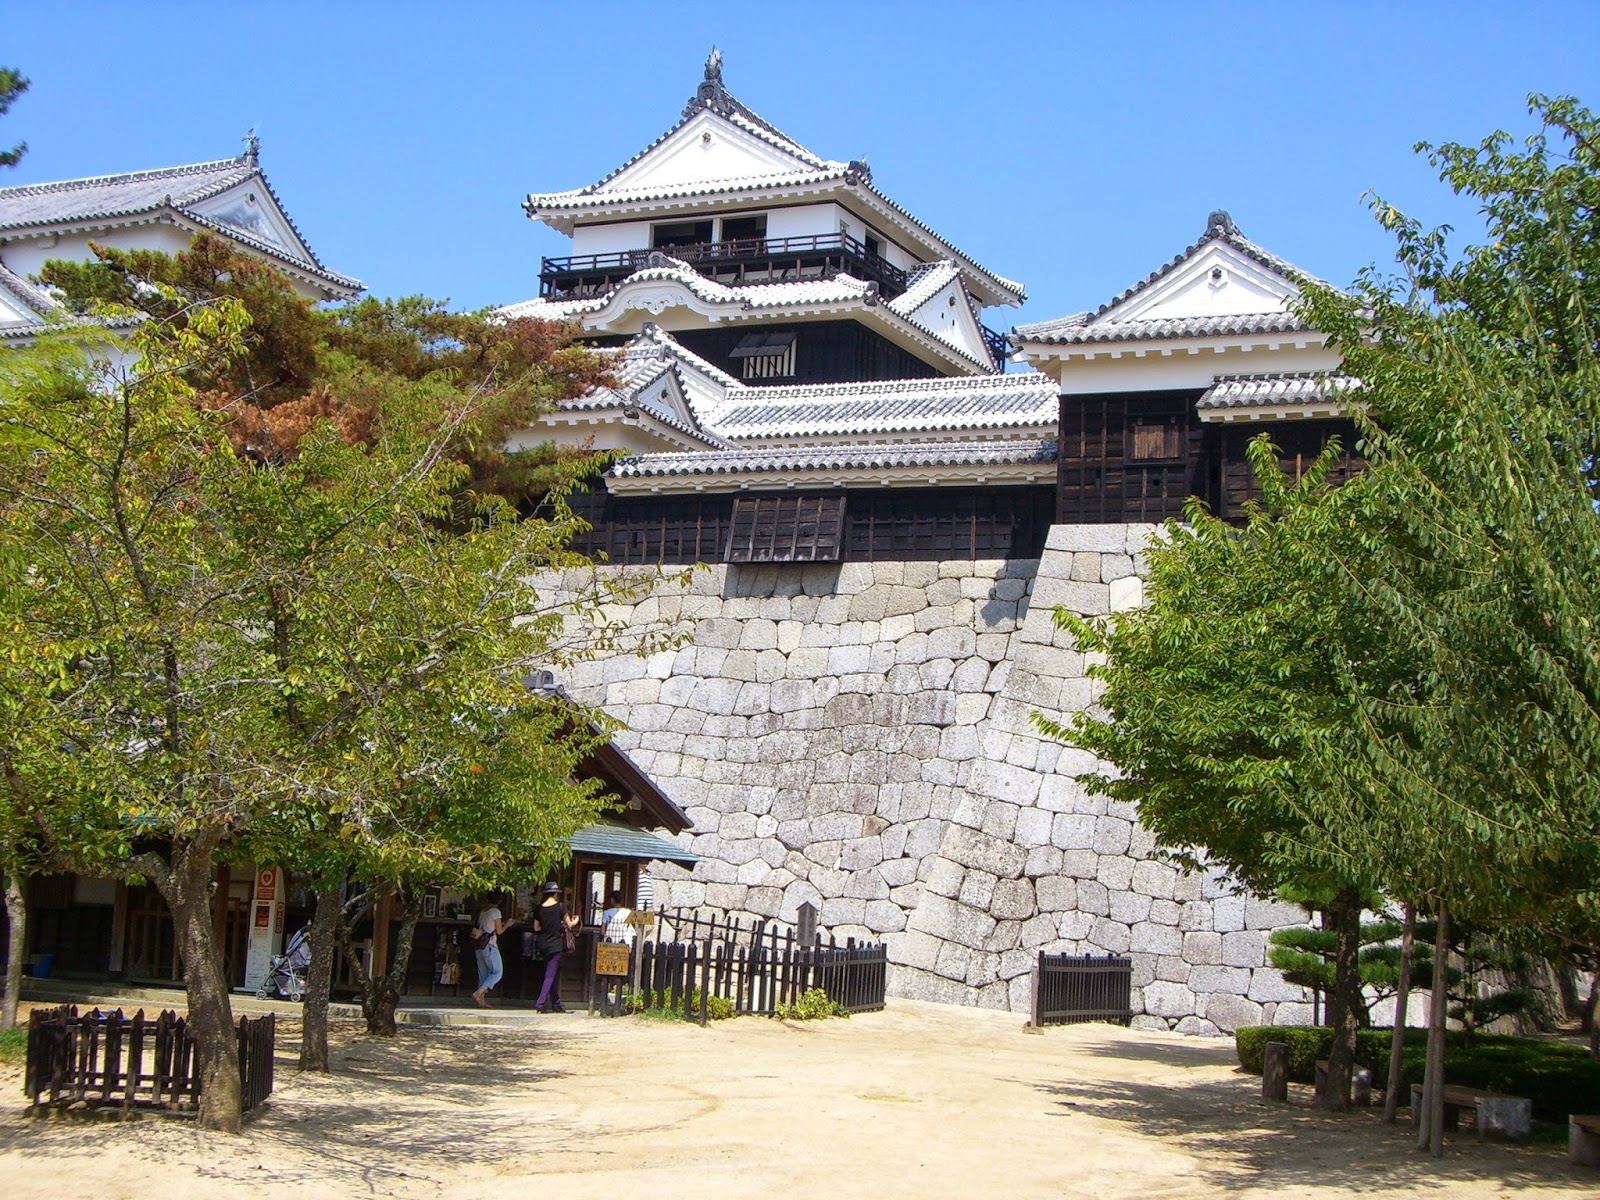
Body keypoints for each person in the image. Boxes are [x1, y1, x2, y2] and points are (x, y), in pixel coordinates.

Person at [533, 881, 577, 1013]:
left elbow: (536, 927)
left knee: (553, 973)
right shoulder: (560, 907)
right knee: (550, 975)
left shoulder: (539, 908)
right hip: (555, 944)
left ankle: (556, 1003)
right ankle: (540, 1003)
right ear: (556, 894)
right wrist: (575, 920)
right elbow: (569, 924)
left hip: (542, 943)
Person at [471, 896, 517, 1009]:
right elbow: (499, 931)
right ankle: (478, 993)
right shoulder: (496, 912)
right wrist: (508, 924)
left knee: (483, 974)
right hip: (490, 945)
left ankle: (481, 1002)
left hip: (479, 945)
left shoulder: (482, 912)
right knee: (497, 972)